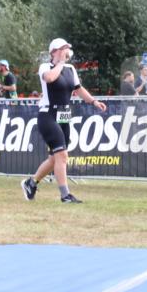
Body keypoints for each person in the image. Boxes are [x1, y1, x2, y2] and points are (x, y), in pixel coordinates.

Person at [21, 38, 107, 204]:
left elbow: (78, 89)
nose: (67, 52)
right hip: (48, 115)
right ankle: (65, 195)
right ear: (54, 51)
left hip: (64, 115)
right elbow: (50, 78)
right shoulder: (46, 67)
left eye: (68, 49)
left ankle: (31, 183)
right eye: (63, 49)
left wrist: (94, 101)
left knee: (55, 158)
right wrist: (60, 63)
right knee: (62, 155)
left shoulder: (70, 69)